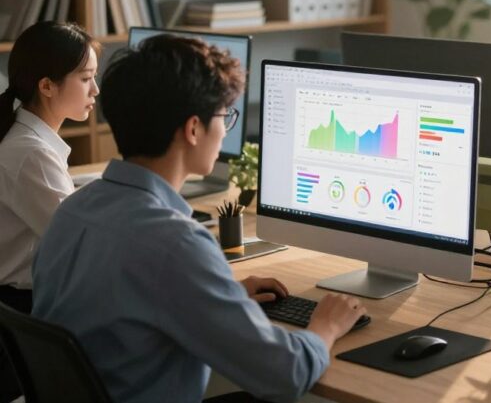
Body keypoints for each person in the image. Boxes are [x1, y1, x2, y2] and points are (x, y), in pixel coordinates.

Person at [32, 34, 366, 402]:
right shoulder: (175, 244)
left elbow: (122, 303)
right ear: (193, 129)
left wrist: (220, 296)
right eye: (224, 116)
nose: (225, 130)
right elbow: (287, 374)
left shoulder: (72, 211)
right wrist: (325, 327)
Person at [0, 21, 99, 313]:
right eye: (86, 78)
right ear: (46, 86)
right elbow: (81, 241)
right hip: (27, 307)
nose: (95, 89)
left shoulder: (24, 137)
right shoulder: (31, 153)